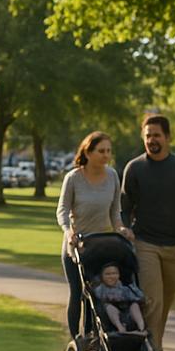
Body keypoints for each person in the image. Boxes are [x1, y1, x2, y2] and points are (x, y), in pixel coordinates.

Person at [121, 115, 175, 351]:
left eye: (156, 135)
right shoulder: (134, 168)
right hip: (145, 243)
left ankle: (153, 344)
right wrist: (126, 228)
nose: (151, 140)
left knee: (165, 303)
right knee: (152, 300)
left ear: (168, 137)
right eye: (147, 135)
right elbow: (124, 207)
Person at [56, 131, 133, 340]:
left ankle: (93, 335)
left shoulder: (113, 176)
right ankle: (76, 338)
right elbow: (62, 210)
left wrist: (121, 228)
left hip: (100, 245)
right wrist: (68, 230)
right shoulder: (73, 178)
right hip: (76, 245)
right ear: (88, 152)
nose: (106, 155)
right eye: (101, 151)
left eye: (108, 151)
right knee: (78, 290)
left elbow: (115, 211)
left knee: (95, 292)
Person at [93, 263, 146, 334]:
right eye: (108, 274)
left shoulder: (126, 287)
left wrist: (125, 298)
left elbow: (139, 296)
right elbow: (97, 297)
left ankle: (141, 328)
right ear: (102, 276)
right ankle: (120, 328)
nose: (111, 276)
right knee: (109, 307)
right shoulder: (100, 289)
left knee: (135, 305)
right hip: (109, 315)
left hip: (127, 312)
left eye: (114, 273)